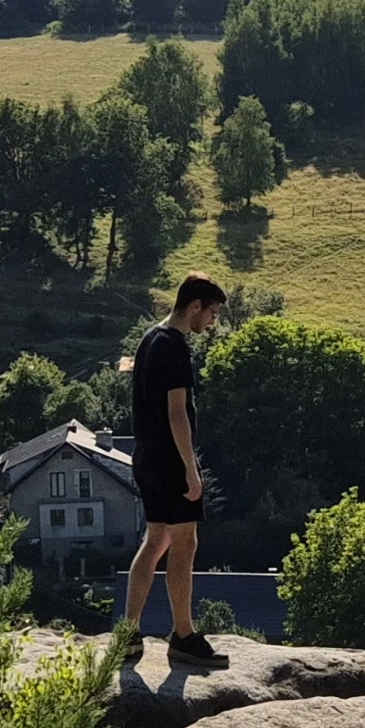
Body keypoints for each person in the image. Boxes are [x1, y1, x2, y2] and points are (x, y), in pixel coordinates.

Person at [126, 274, 231, 667]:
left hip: (145, 456)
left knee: (155, 541)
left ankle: (128, 634)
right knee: (184, 544)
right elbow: (177, 414)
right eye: (213, 313)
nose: (212, 322)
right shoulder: (175, 348)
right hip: (170, 460)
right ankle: (183, 635)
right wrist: (191, 469)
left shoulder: (150, 337)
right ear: (195, 307)